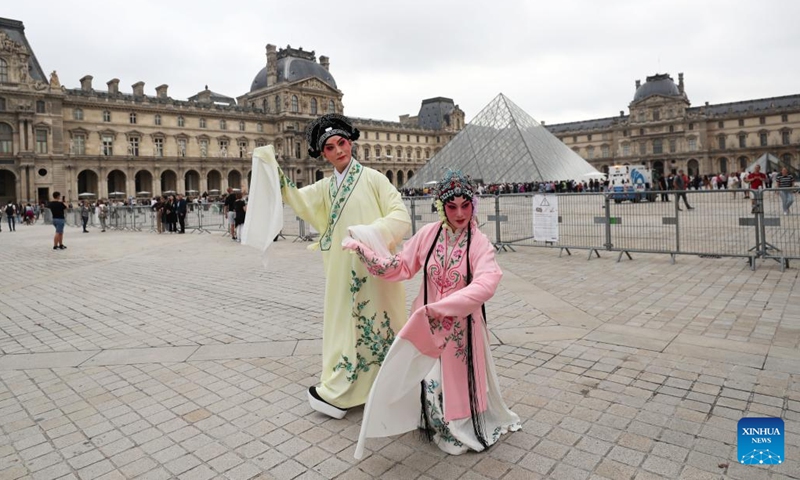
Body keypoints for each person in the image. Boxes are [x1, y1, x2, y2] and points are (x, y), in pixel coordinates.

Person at [242, 113, 410, 419]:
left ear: (351, 142)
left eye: (342, 143)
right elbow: (296, 199)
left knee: (375, 321)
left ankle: (382, 385)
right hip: (339, 269)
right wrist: (271, 169)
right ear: (324, 154)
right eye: (330, 147)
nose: (339, 151)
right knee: (343, 323)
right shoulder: (325, 187)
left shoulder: (374, 179)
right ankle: (345, 384)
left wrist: (366, 235)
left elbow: (400, 216)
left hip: (371, 268)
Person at [346, 170, 520, 458]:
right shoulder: (428, 234)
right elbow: (401, 266)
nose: (460, 213)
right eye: (452, 207)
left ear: (473, 205)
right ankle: (435, 423)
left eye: (466, 205)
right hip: (426, 324)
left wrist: (444, 307)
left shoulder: (479, 243)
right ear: (441, 207)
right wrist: (365, 251)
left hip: (460, 329)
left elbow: (487, 281)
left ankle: (457, 424)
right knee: (426, 380)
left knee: (445, 381)